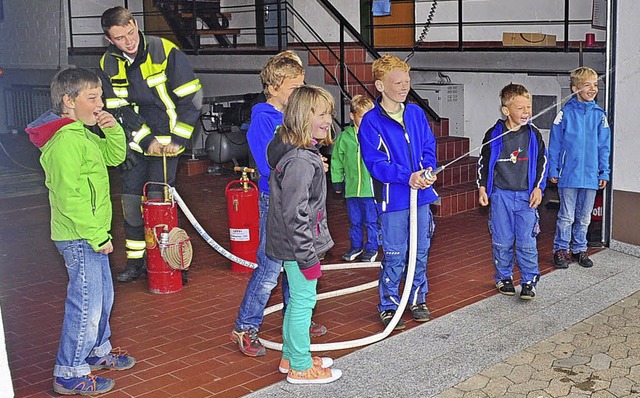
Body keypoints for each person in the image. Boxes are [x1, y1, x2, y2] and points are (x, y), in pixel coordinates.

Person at [25, 68, 135, 396]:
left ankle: (97, 352)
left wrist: (112, 129)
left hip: (91, 232)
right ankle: (69, 371)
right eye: (93, 98)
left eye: (100, 96)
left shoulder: (82, 133)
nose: (101, 104)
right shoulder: (64, 142)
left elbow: (115, 156)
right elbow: (69, 196)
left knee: (103, 298)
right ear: (68, 101)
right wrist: (95, 235)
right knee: (86, 303)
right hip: (79, 236)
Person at [231, 52, 327, 358]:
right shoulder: (263, 121)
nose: (299, 94)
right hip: (274, 199)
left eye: (302, 87)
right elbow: (269, 164)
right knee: (270, 267)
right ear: (273, 88)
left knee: (295, 262)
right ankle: (246, 326)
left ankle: (295, 316)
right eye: (293, 89)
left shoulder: (287, 118)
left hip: (292, 196)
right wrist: (303, 164)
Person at [99, 6, 203, 283]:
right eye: (120, 38)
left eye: (130, 32)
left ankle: (172, 261)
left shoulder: (165, 52)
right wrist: (144, 140)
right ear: (110, 40)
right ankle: (137, 262)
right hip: (136, 143)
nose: (128, 41)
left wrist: (178, 139)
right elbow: (118, 109)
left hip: (168, 144)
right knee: (132, 202)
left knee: (160, 203)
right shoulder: (108, 64)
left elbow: (191, 100)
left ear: (135, 24)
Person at [266, 85, 341, 384]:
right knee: (303, 302)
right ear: (301, 116)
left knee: (297, 300)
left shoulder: (302, 153)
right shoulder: (299, 161)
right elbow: (295, 214)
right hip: (298, 248)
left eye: (329, 113)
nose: (328, 120)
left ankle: (291, 355)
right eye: (321, 114)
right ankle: (299, 366)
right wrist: (308, 256)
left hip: (292, 245)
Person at [358, 55, 438, 330]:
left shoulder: (416, 113)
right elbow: (376, 164)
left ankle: (417, 299)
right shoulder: (371, 122)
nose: (405, 86)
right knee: (394, 254)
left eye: (407, 81)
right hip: (394, 201)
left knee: (421, 251)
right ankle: (390, 305)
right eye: (398, 82)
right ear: (380, 85)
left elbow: (428, 144)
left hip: (422, 197)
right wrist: (408, 177)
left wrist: (427, 169)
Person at [477, 83, 548, 300]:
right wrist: (482, 187)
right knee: (502, 239)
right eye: (521, 108)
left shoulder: (533, 134)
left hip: (526, 197)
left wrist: (539, 187)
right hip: (501, 196)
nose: (526, 112)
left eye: (529, 107)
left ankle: (528, 280)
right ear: (506, 110)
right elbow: (483, 162)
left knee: (527, 241)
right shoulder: (494, 134)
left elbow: (542, 163)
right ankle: (503, 277)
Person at [548, 67, 610, 269]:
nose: (592, 89)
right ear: (575, 89)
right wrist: (554, 169)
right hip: (569, 175)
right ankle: (561, 250)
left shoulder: (600, 116)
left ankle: (579, 249)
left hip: (591, 176)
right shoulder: (564, 113)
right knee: (566, 215)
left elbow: (604, 146)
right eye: (587, 85)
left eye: (595, 85)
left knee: (584, 216)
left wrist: (604, 171)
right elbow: (555, 143)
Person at [330, 94, 380, 262]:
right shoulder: (345, 137)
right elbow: (337, 159)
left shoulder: (376, 136)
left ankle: (372, 247)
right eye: (361, 116)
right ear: (352, 116)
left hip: (370, 190)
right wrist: (337, 181)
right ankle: (356, 246)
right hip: (352, 189)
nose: (366, 120)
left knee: (371, 221)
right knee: (355, 221)